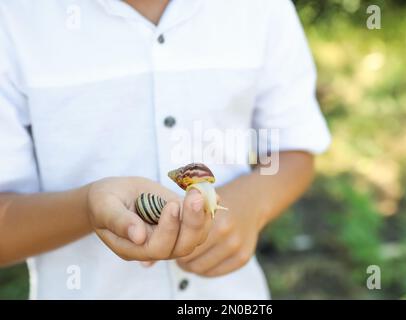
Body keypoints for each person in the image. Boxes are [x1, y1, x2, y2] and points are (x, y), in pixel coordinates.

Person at [0, 0, 331, 299]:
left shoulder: (260, 9)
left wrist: (252, 200)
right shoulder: (14, 18)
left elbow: (291, 148)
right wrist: (87, 208)